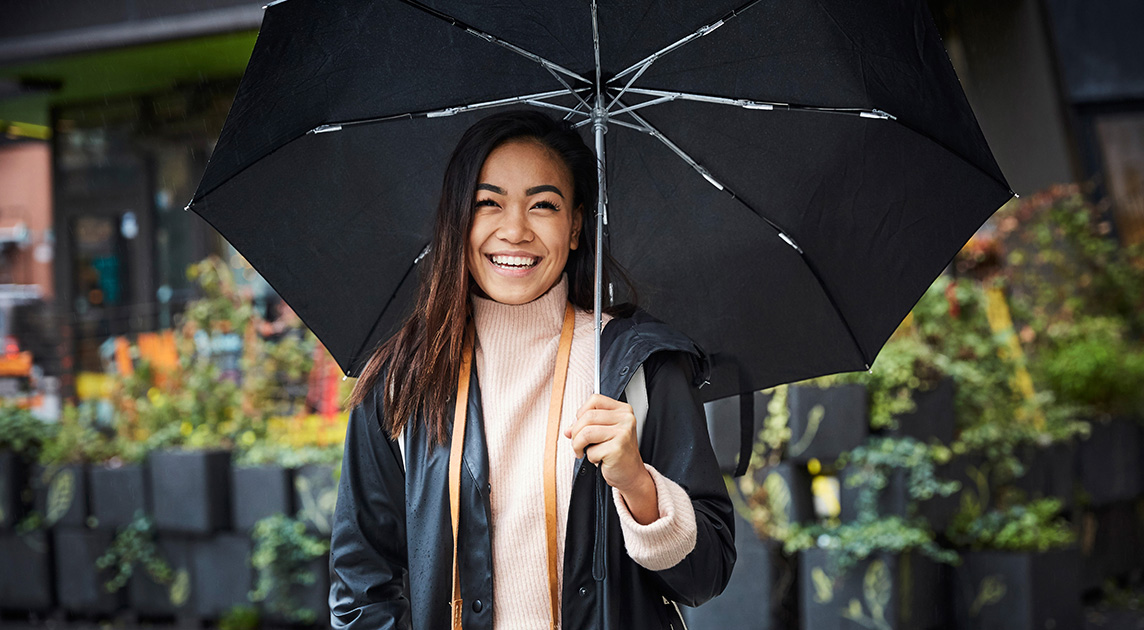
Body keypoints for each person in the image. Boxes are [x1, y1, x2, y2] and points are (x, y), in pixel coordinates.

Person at [329, 110, 735, 630]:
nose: (515, 230)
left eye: (543, 204)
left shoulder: (637, 367)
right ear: (458, 221)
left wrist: (638, 485)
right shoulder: (402, 381)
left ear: (575, 227)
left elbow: (709, 575)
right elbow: (363, 588)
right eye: (488, 203)